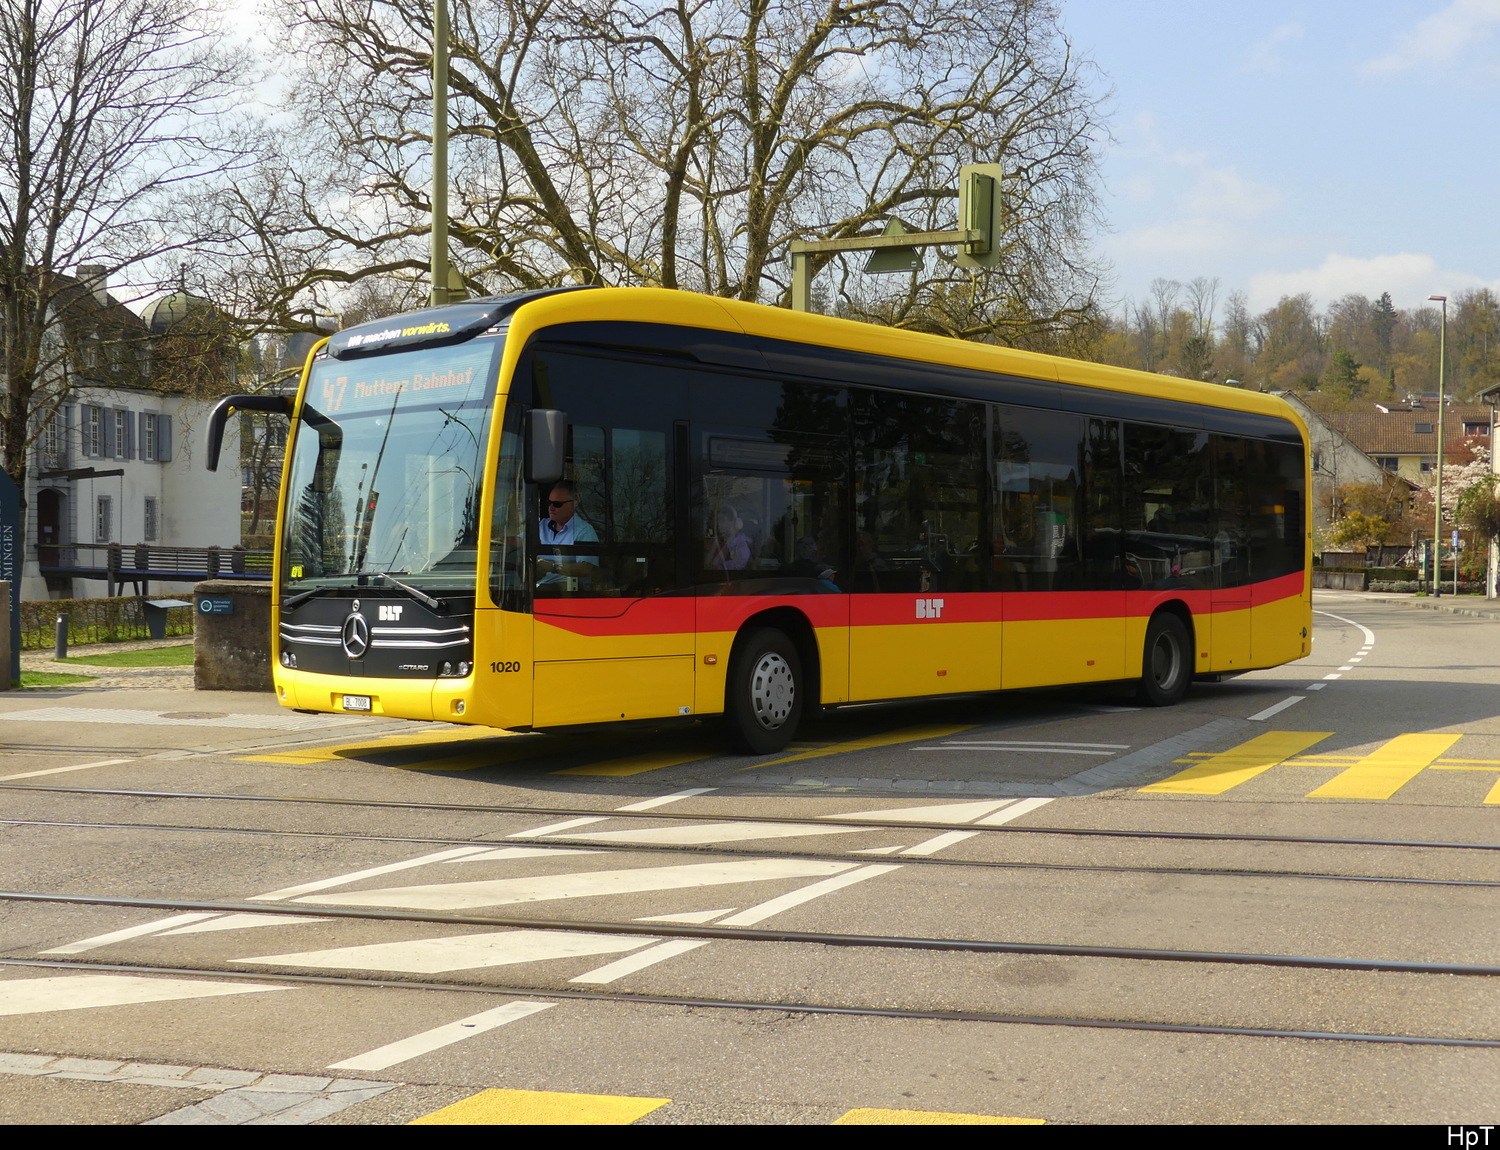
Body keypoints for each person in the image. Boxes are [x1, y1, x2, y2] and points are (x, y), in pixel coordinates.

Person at [537, 481, 599, 588]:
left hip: (569, 591)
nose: (551, 508)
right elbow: (518, 540)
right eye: (549, 503)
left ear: (573, 505)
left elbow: (586, 568)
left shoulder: (584, 531)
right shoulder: (542, 525)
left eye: (557, 504)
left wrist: (553, 567)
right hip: (540, 587)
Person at [704, 504, 751, 571]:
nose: (719, 523)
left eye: (723, 520)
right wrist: (714, 547)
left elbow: (715, 566)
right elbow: (706, 565)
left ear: (734, 523)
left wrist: (728, 542)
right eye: (718, 520)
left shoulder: (741, 548)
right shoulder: (719, 541)